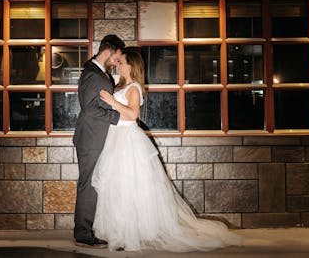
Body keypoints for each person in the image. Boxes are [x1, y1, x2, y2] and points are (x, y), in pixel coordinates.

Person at [93, 48, 244, 252]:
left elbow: (132, 115)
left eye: (120, 62)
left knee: (131, 185)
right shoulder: (120, 85)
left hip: (127, 139)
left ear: (131, 65)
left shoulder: (134, 88)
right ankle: (118, 231)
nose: (117, 65)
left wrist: (112, 102)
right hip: (116, 138)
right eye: (117, 62)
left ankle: (133, 233)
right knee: (118, 186)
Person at [72, 34, 125, 248]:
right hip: (91, 137)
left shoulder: (98, 72)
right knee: (89, 184)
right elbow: (91, 109)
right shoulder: (92, 74)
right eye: (117, 57)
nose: (118, 62)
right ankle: (83, 233)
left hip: (97, 136)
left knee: (94, 182)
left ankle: (87, 228)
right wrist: (118, 118)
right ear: (108, 50)